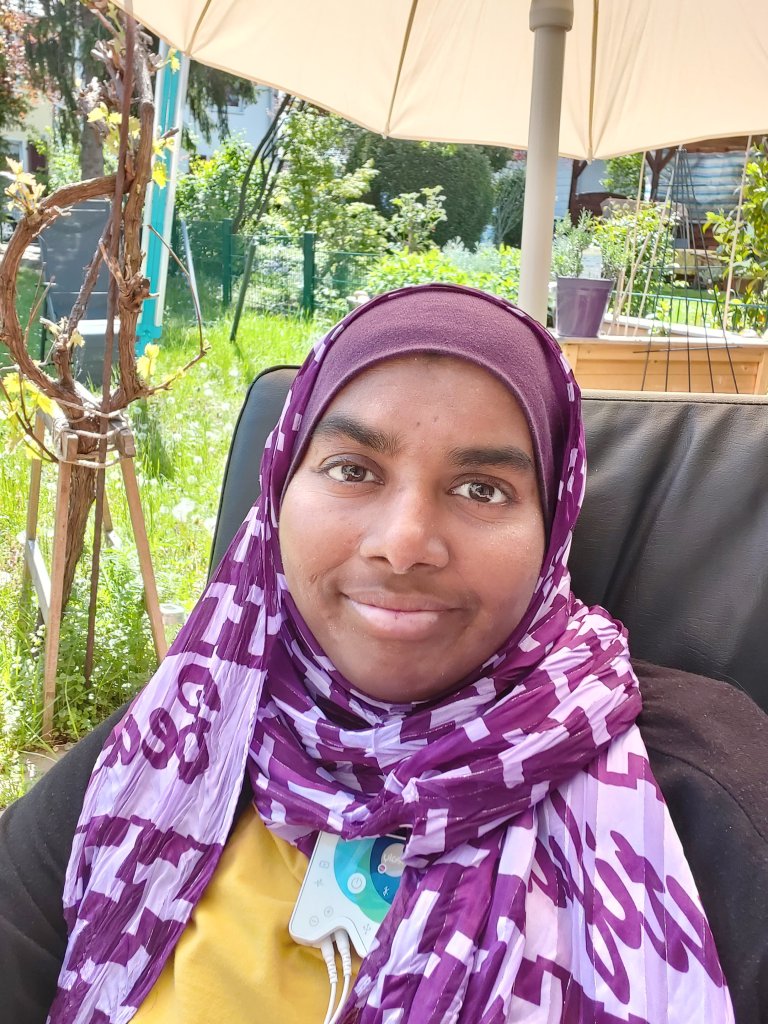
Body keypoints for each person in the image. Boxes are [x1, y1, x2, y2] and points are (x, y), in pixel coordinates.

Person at [0, 284, 766, 1024]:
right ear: (280, 490)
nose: (403, 545)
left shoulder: (699, 794)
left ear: (554, 526)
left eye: (482, 489)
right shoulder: (179, 738)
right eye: (353, 470)